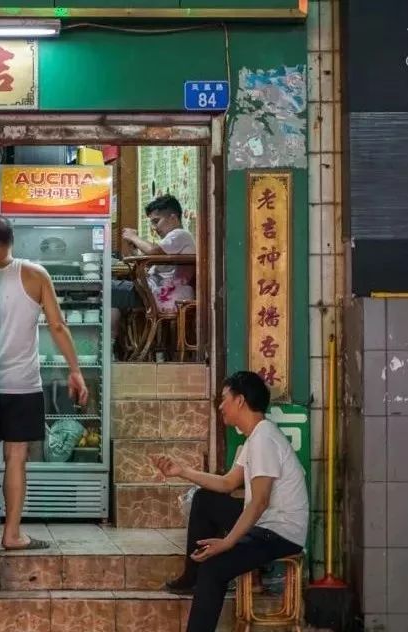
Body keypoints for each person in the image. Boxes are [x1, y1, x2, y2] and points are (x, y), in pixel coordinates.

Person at [0, 216, 88, 551]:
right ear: (12, 240)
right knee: (16, 458)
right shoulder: (35, 275)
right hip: (22, 385)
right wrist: (75, 370)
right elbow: (58, 326)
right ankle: (11, 534)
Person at [152, 370, 308, 632]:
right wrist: (182, 471)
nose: (221, 406)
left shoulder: (264, 439)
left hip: (280, 532)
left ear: (240, 400)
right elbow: (227, 483)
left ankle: (199, 579)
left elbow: (259, 502)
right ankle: (192, 575)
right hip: (265, 524)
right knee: (205, 499)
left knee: (213, 568)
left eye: (224, 398)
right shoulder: (255, 437)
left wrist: (227, 542)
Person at [111, 194, 196, 341]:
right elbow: (151, 261)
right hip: (153, 292)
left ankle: (109, 342)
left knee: (104, 289)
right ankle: (110, 342)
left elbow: (152, 251)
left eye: (156, 221)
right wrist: (134, 248)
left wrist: (133, 237)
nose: (154, 228)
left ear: (173, 218)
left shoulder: (180, 235)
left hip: (159, 295)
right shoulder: (172, 242)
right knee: (109, 295)